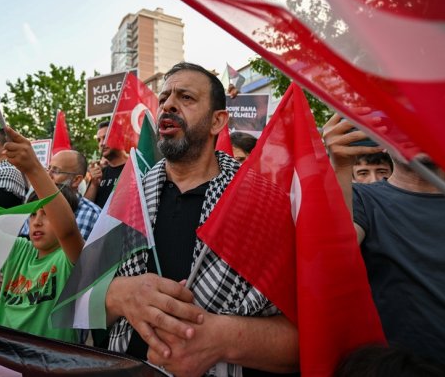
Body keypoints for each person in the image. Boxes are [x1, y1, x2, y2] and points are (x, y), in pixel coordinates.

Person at [104, 62, 299, 377]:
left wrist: (219, 339)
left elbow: (309, 337)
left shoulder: (265, 203)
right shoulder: (129, 196)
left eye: (186, 98)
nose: (168, 105)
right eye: (164, 97)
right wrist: (118, 294)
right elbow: (81, 300)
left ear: (217, 121)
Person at [323, 115, 445, 376]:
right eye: (401, 123)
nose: (415, 132)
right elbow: (331, 264)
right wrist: (339, 168)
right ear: (380, 138)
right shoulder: (361, 199)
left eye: (428, 122)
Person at [0, 126, 85, 343]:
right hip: (1, 358)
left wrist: (34, 169)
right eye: (33, 215)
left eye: (46, 214)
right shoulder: (19, 250)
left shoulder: (69, 260)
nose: (37, 222)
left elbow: (68, 231)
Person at [20, 149, 101, 241]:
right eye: (48, 169)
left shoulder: (92, 215)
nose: (47, 175)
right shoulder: (36, 205)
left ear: (76, 180)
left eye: (56, 171)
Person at [85, 120, 127, 209]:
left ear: (120, 138)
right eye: (99, 140)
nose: (101, 144)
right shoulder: (100, 174)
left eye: (106, 137)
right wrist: (93, 184)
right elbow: (87, 208)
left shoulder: (135, 167)